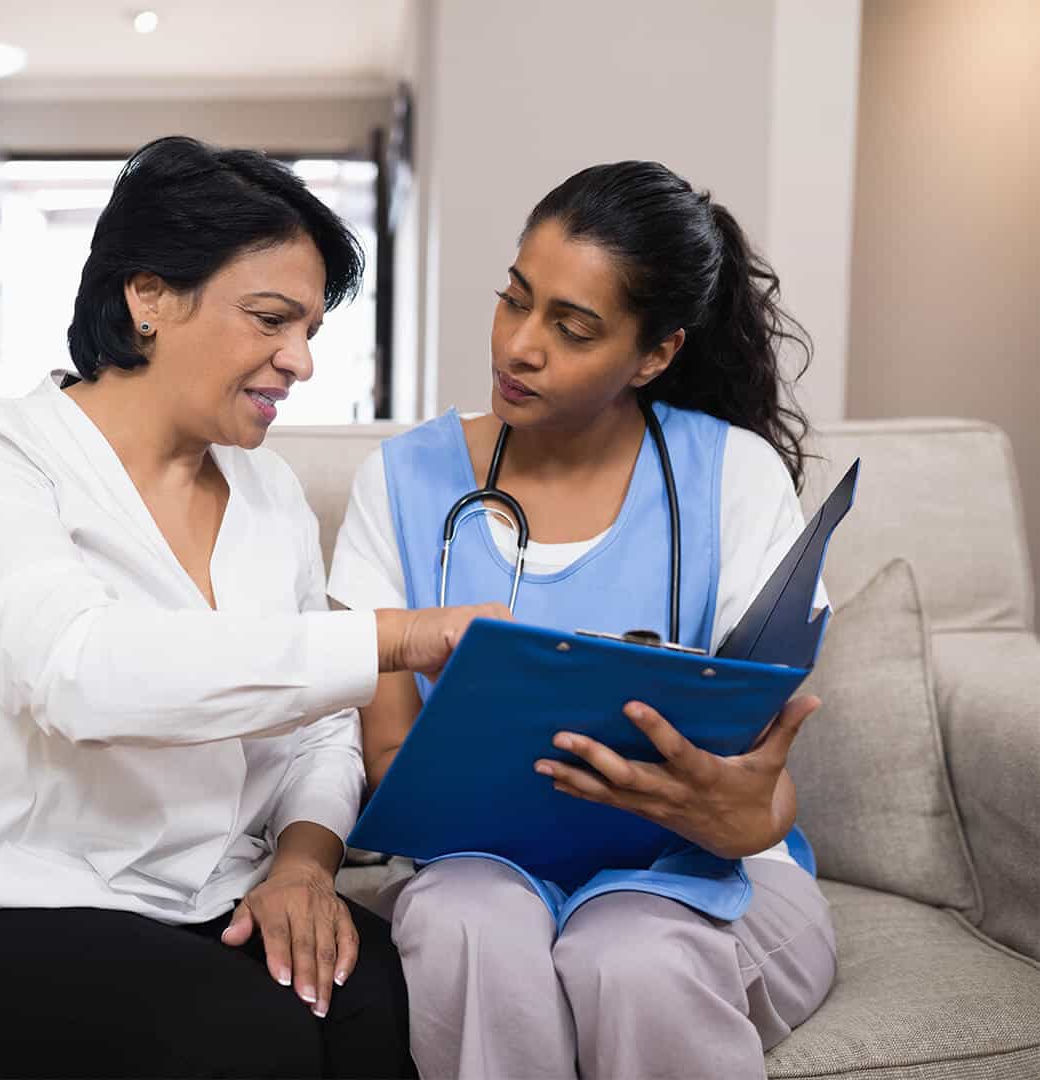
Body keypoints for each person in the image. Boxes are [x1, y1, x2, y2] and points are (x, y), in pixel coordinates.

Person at [0, 135, 505, 1079]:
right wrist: (402, 636)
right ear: (148, 297)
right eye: (272, 320)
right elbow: (78, 673)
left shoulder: (268, 498)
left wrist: (304, 867)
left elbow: (318, 733)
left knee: (388, 1009)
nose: (300, 360)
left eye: (311, 330)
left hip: (207, 895)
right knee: (250, 1043)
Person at [327, 161, 838, 1079]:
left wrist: (732, 813)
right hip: (475, 865)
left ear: (655, 354)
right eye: (514, 299)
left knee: (629, 954)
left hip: (707, 874)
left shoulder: (735, 477)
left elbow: (761, 784)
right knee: (461, 923)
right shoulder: (401, 483)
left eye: (572, 328)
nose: (520, 346)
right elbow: (392, 765)